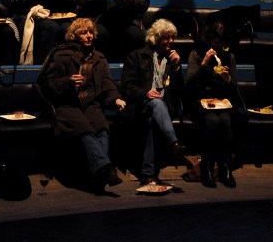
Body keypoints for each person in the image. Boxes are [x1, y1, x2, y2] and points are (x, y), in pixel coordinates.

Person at [38, 17, 127, 194]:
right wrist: (68, 82)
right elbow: (48, 82)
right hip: (67, 104)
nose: (88, 36)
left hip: (90, 104)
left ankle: (100, 173)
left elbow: (107, 83)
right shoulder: (61, 54)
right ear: (74, 35)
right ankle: (106, 168)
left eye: (90, 32)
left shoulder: (99, 58)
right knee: (85, 129)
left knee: (102, 128)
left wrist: (115, 98)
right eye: (83, 32)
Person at [121, 18, 187, 187]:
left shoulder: (172, 60)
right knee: (155, 103)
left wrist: (177, 69)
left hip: (164, 108)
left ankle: (148, 175)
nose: (171, 41)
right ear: (156, 38)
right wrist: (145, 93)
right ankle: (174, 143)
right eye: (167, 37)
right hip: (140, 105)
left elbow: (180, 92)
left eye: (172, 38)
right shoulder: (137, 57)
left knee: (153, 119)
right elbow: (127, 87)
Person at [185, 20, 245, 188]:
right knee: (212, 121)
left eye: (221, 41)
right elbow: (190, 84)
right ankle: (207, 167)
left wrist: (228, 80)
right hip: (200, 100)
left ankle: (226, 169)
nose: (217, 44)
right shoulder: (196, 55)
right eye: (215, 40)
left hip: (222, 102)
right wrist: (204, 63)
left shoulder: (228, 57)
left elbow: (234, 89)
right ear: (208, 39)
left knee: (225, 120)